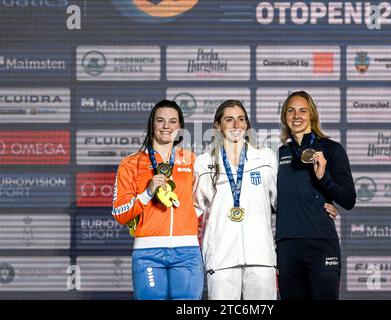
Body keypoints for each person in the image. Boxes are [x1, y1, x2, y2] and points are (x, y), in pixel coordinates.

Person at [111, 100, 203, 300]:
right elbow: (120, 213)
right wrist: (147, 193)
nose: (166, 126)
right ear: (152, 124)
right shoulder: (131, 164)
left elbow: (202, 199)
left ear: (180, 127)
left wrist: (186, 215)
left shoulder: (193, 160)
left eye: (172, 121)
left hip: (187, 250)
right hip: (147, 252)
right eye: (160, 121)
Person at [193, 99, 279, 300]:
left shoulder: (265, 159)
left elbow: (284, 203)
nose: (236, 125)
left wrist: (318, 207)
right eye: (229, 120)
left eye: (241, 119)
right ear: (217, 126)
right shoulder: (204, 163)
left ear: (247, 124)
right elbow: (192, 209)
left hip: (261, 256)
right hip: (221, 258)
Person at [276, 90, 356, 300]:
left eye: (303, 110)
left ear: (312, 114)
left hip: (321, 244)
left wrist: (324, 179)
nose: (297, 116)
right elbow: (273, 200)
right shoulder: (279, 153)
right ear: (284, 116)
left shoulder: (331, 149)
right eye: (291, 111)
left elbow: (348, 199)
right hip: (287, 246)